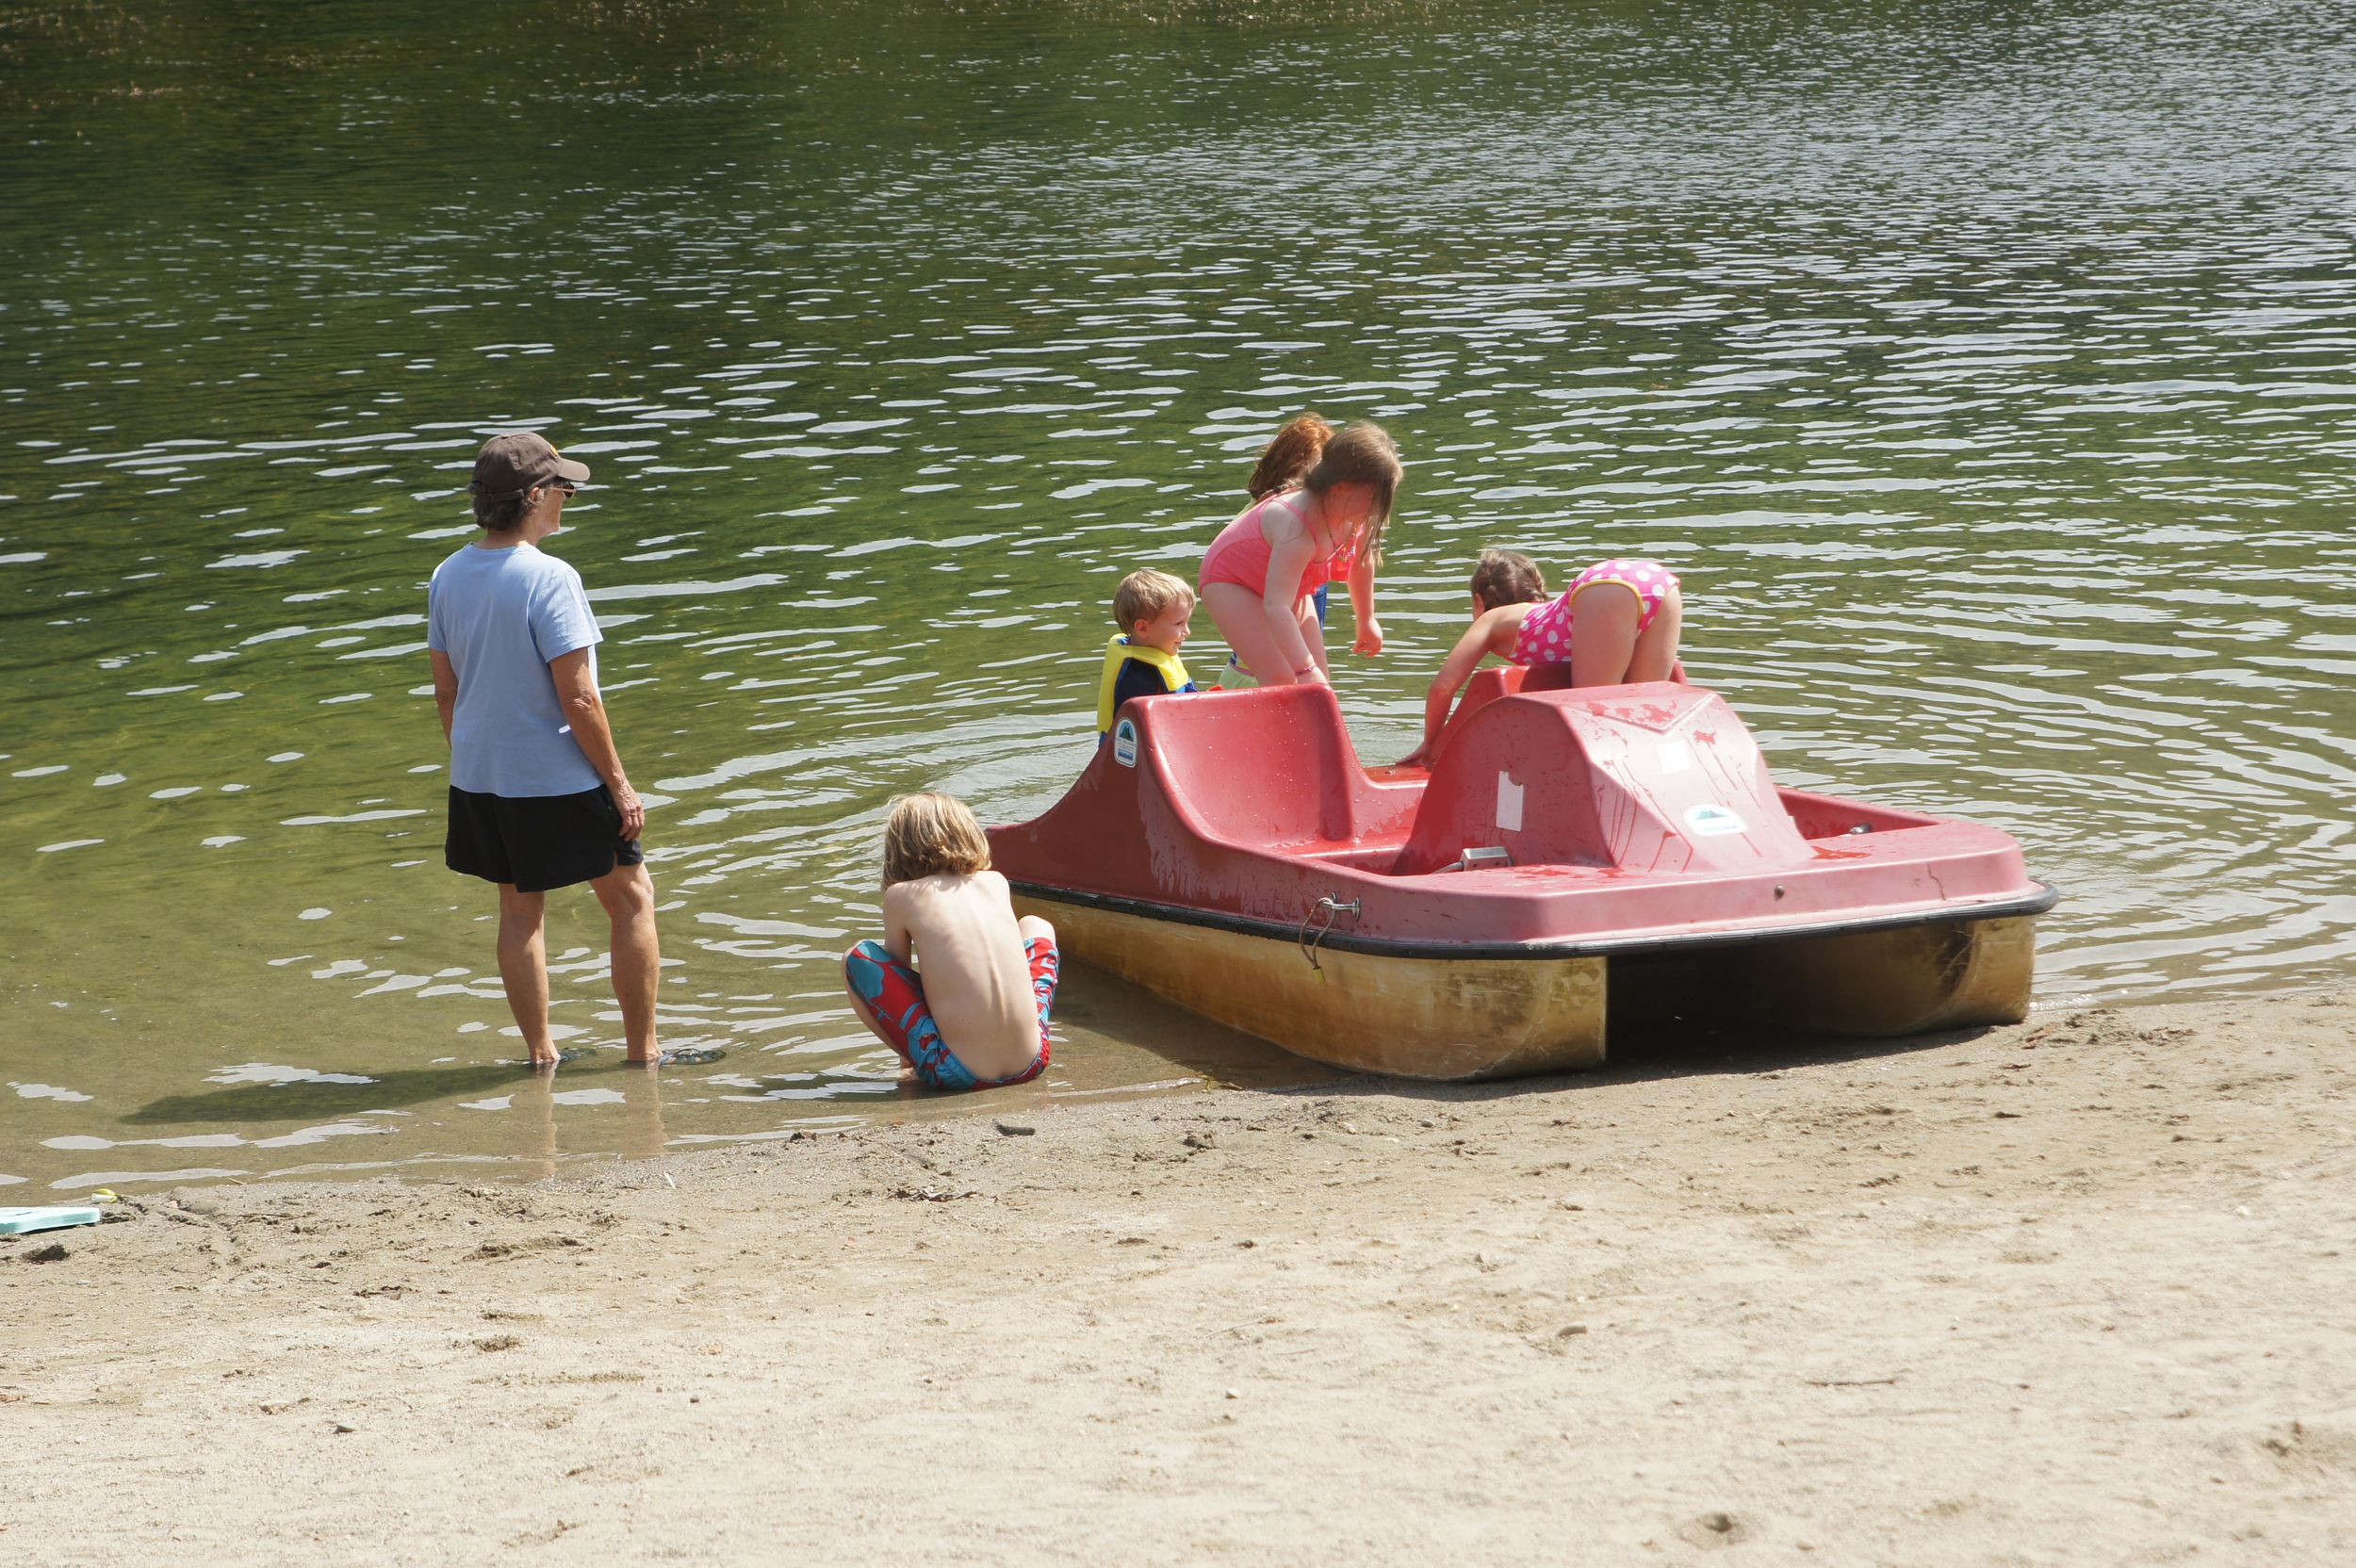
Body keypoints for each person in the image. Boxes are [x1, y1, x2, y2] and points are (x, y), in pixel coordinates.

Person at [427, 432, 662, 1068]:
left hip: (480, 777)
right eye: (564, 488)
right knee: (632, 899)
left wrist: (475, 760)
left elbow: (446, 692)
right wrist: (619, 785)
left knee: (518, 910)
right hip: (556, 778)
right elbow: (579, 698)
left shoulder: (447, 575)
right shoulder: (552, 578)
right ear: (533, 496)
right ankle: (644, 1054)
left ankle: (541, 1054)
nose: (569, 498)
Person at [843, 793, 1058, 1092]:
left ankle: (911, 1062)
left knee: (856, 958)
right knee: (1036, 925)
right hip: (1033, 1061)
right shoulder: (996, 882)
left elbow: (896, 979)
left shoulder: (901, 896)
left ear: (900, 848)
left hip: (956, 1072)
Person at [1399, 551, 1683, 767]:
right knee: (1641, 714)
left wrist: (1430, 743)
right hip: (1659, 582)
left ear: (1477, 600)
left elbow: (1443, 686)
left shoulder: (1491, 619)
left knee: (1595, 724)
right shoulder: (1551, 615)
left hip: (1604, 584)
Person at [1198, 419, 1400, 687]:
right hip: (1232, 583)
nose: (1378, 508)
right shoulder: (1297, 526)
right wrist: (1304, 668)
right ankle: (1263, 725)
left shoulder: (1352, 516)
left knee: (1319, 685)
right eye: (1375, 497)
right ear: (1340, 487)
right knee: (1284, 678)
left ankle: (1308, 727)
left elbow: (1361, 561)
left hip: (1286, 587)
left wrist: (1366, 619)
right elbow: (1276, 606)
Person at [1098, 568, 1200, 738]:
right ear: (1143, 628)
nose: (1187, 631)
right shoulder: (1138, 677)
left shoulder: (1156, 656)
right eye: (1178, 624)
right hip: (1131, 757)